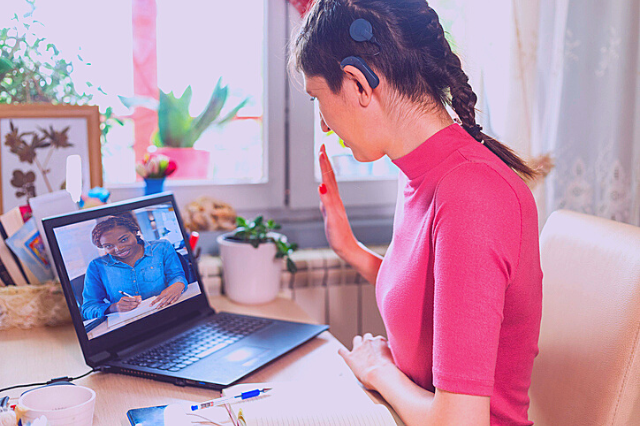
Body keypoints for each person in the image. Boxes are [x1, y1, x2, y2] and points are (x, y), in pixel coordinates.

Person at [292, 1, 543, 425]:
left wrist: (378, 369)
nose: (325, 126)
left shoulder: (473, 194)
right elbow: (438, 300)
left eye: (318, 98)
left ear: (357, 84)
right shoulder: (421, 173)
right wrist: (350, 249)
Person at [81, 215, 187, 320]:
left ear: (135, 232)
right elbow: (88, 309)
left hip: (169, 313)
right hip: (130, 325)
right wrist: (114, 307)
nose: (118, 249)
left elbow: (177, 276)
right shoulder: (97, 267)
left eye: (124, 239)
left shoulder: (162, 247)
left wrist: (178, 284)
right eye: (109, 246)